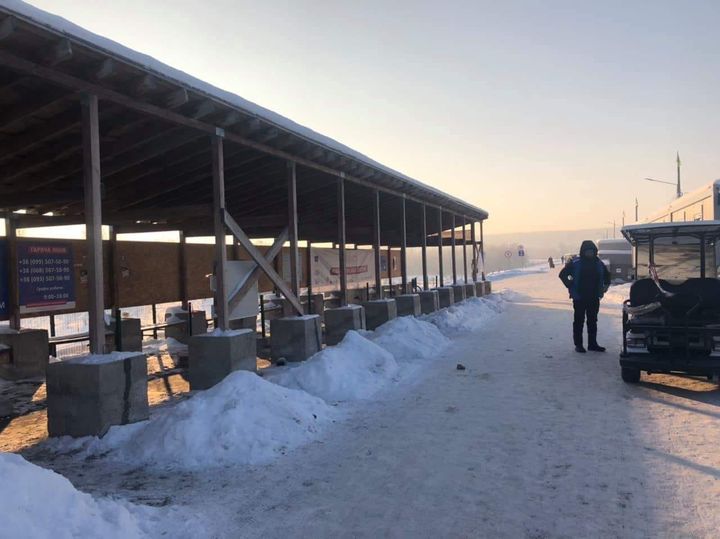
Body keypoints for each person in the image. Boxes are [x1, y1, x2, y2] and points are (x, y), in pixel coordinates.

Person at [559, 240, 611, 353]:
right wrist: (570, 285)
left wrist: (606, 286)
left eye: (592, 251)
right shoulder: (575, 263)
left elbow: (607, 276)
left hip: (594, 297)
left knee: (592, 321)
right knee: (579, 321)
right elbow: (562, 274)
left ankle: (592, 344)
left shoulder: (599, 263)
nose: (590, 253)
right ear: (583, 252)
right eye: (587, 251)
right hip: (579, 297)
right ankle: (579, 345)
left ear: (595, 252)